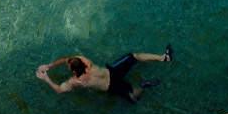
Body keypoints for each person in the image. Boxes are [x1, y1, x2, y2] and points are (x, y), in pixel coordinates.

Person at [35, 45, 173, 103]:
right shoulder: (85, 61)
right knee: (134, 56)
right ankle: (163, 58)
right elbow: (68, 59)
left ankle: (143, 85)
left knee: (134, 98)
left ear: (73, 71)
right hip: (113, 71)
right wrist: (50, 65)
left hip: (111, 85)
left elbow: (59, 91)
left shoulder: (76, 81)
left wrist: (46, 77)